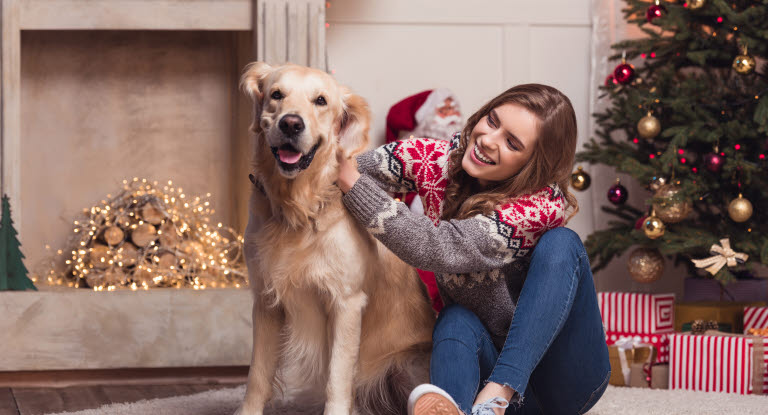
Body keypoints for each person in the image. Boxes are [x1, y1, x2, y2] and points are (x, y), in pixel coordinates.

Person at [335, 84, 610, 415]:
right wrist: (286, 172)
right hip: (489, 371)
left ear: (532, 165)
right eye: (492, 121)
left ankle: (499, 393)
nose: (489, 141)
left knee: (562, 243)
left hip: (564, 381)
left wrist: (351, 182)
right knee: (454, 318)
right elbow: (344, 169)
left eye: (512, 143)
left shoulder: (541, 205)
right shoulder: (435, 158)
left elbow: (435, 246)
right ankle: (455, 408)